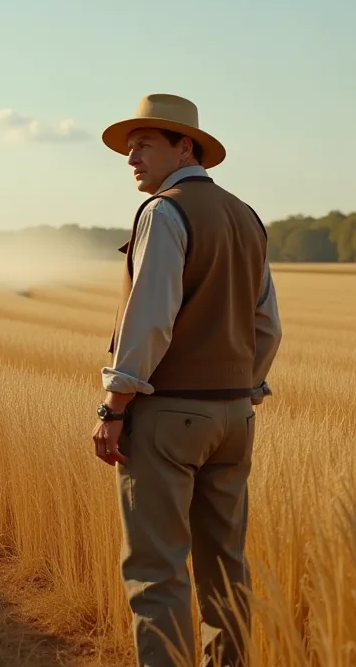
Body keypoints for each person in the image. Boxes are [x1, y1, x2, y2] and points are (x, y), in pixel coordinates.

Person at [91, 93, 283, 666]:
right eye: (129, 148)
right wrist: (241, 390)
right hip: (234, 417)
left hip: (168, 417)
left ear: (184, 146)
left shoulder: (164, 212)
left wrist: (113, 406)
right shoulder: (246, 216)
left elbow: (149, 317)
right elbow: (267, 324)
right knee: (226, 566)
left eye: (144, 144)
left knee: (156, 570)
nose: (132, 158)